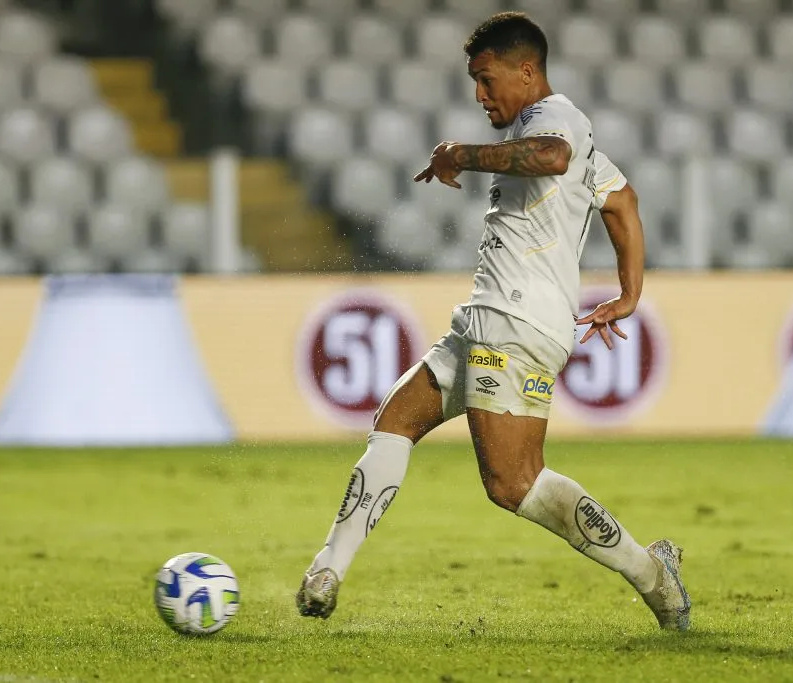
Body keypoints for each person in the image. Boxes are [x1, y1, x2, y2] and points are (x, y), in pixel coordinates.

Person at [295, 11, 691, 631]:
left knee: (514, 483)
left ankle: (655, 579)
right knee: (395, 421)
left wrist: (461, 153)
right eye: (474, 83)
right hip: (485, 320)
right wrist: (629, 294)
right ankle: (327, 569)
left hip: (516, 322)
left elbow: (552, 156)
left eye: (486, 79)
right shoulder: (573, 137)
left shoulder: (553, 118)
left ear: (526, 71)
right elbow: (623, 202)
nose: (479, 95)